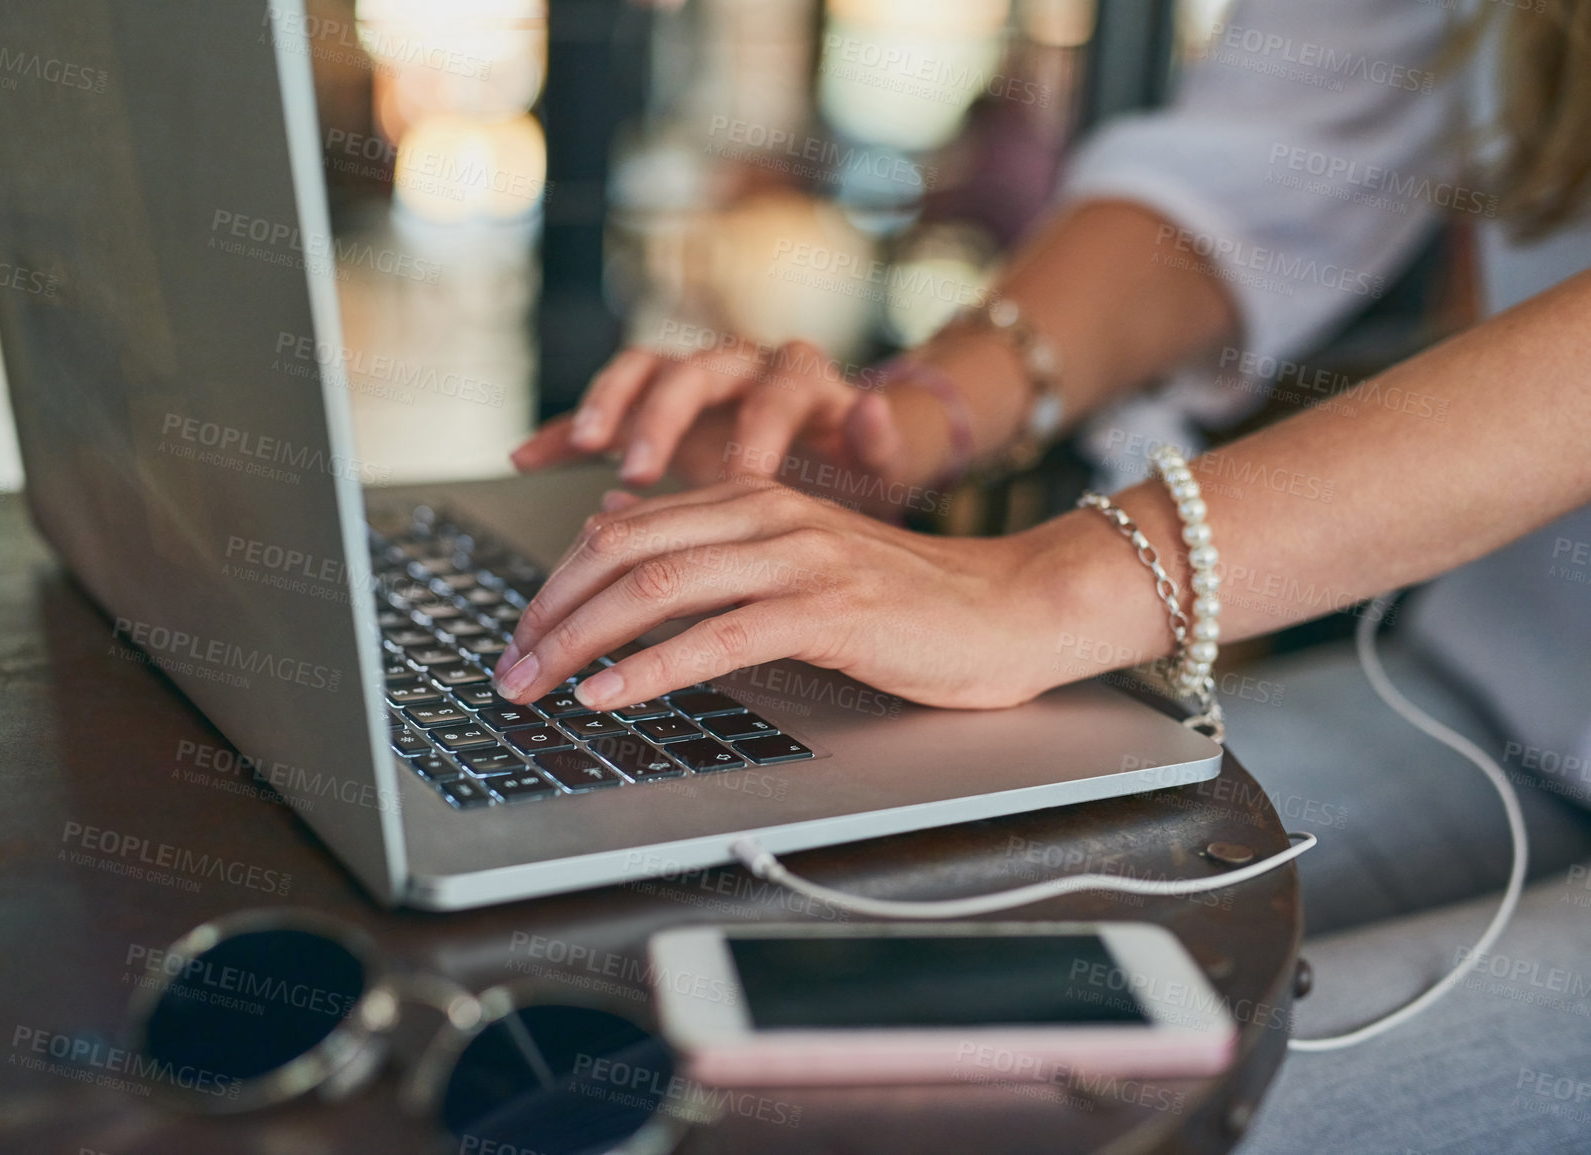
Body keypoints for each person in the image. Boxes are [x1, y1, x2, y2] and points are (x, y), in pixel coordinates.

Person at [505, 2, 1591, 1149]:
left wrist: (1042, 590)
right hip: (1494, 690)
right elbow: (1260, 168)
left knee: (1050, 1129)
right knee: (745, 944)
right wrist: (912, 423)